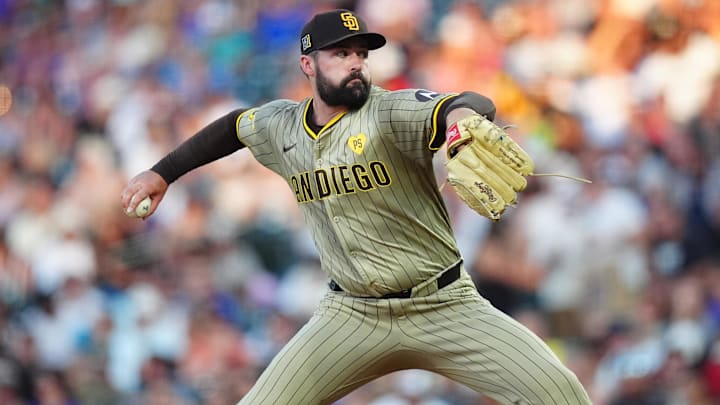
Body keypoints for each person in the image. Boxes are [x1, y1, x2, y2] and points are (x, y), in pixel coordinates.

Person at [121, 9, 592, 405]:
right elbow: (233, 127)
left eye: (362, 54)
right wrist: (162, 173)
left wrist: (461, 124)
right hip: (351, 315)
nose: (356, 63)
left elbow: (462, 103)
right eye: (341, 53)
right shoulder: (281, 126)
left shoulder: (387, 112)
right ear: (308, 64)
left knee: (561, 394)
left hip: (443, 304)